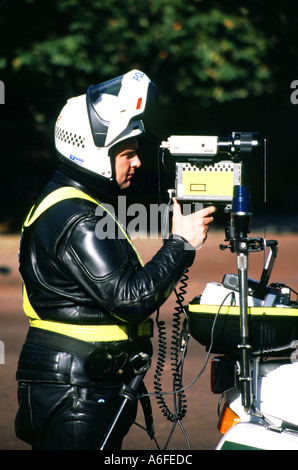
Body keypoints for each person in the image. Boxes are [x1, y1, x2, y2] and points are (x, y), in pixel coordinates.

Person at [15, 70, 216, 450]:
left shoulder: (76, 206)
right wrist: (181, 244)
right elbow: (130, 298)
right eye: (127, 153)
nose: (136, 162)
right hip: (75, 391)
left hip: (84, 385)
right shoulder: (76, 217)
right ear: (94, 154)